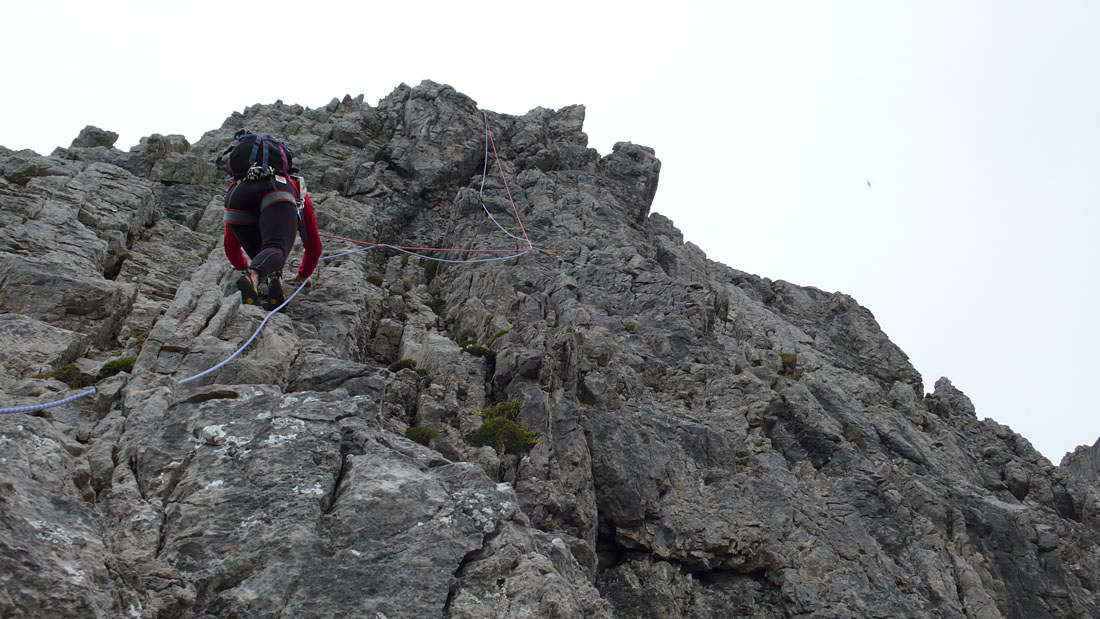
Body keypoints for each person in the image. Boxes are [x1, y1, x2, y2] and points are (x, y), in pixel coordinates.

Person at [218, 131, 321, 310]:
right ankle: (254, 276)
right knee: (276, 247)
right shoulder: (293, 183)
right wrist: (303, 274)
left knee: (264, 253)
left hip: (237, 198)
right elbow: (313, 243)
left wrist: (240, 265)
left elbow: (231, 241)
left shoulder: (237, 184)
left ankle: (274, 282)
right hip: (276, 191)